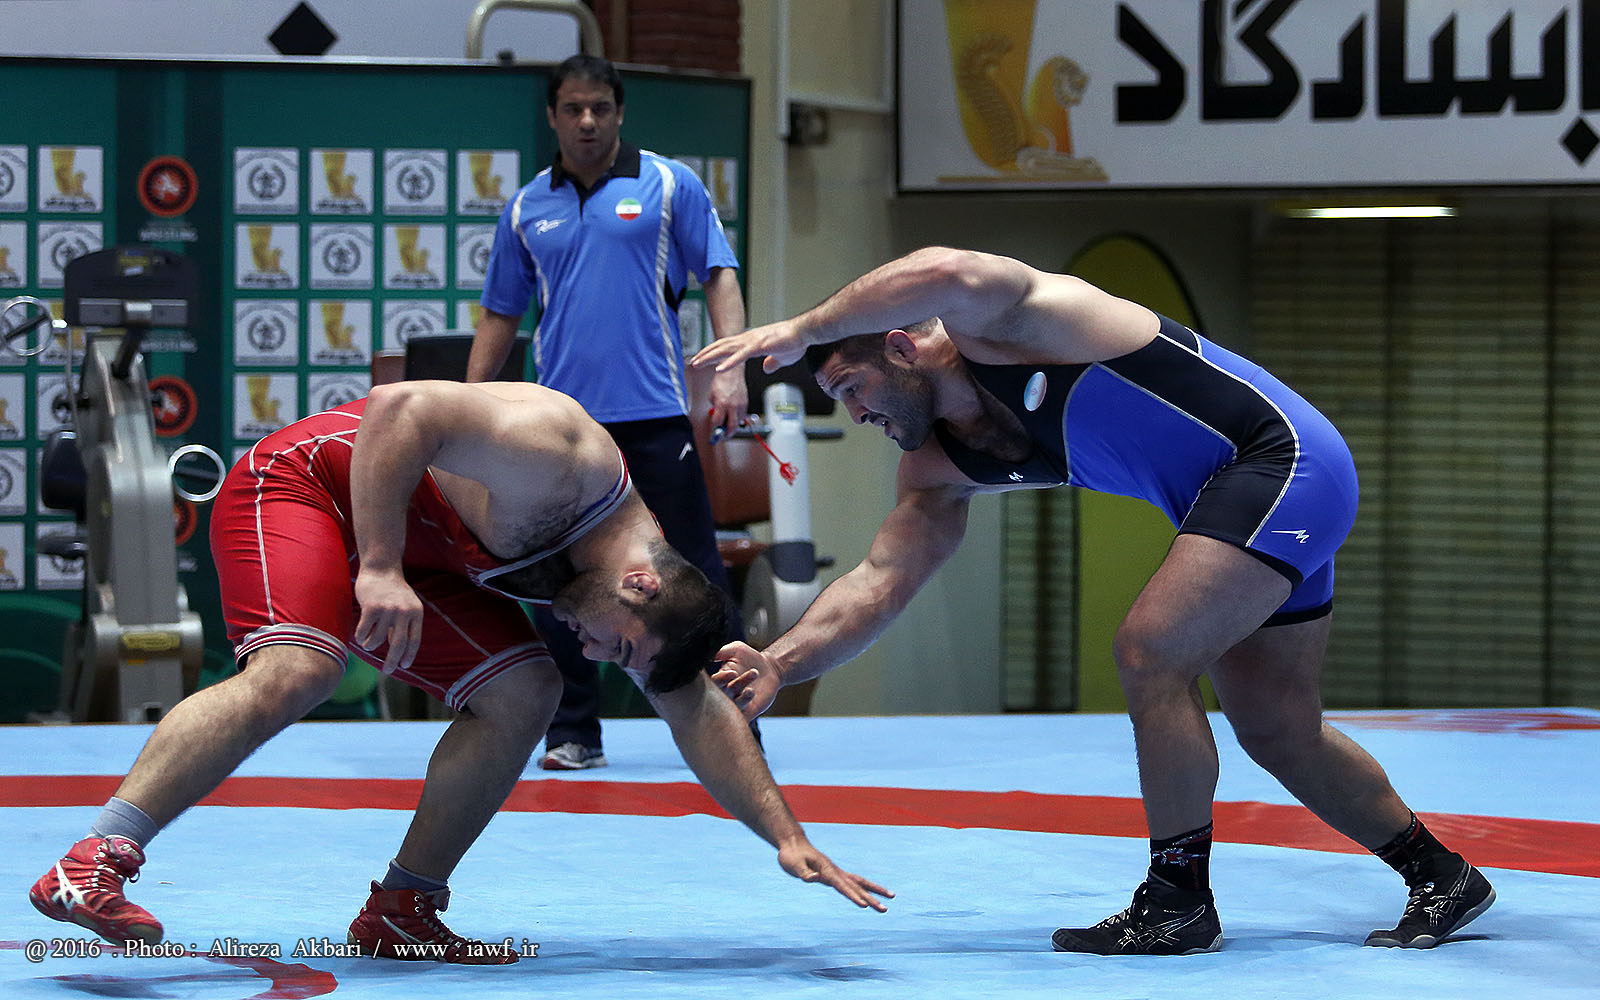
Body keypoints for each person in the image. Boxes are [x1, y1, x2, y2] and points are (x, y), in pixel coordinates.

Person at [691, 246, 1494, 956]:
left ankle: (1177, 901)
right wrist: (777, 662)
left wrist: (801, 327)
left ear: (902, 347)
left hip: (1282, 462)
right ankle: (1442, 875)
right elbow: (879, 582)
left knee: (1151, 652)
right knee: (1279, 729)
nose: (857, 413)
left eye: (853, 386)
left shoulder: (1018, 327)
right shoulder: (938, 468)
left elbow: (945, 269)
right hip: (1246, 499)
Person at [28, 379, 890, 963]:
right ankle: (94, 858)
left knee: (529, 689)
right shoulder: (562, 456)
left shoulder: (643, 588)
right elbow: (400, 407)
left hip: (420, 547)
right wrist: (378, 566)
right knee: (300, 669)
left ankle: (401, 910)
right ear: (639, 585)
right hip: (307, 486)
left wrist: (786, 837)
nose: (600, 657)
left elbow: (694, 708)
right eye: (619, 647)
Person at [468, 53, 753, 771]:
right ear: (553, 116)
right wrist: (470, 407)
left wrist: (731, 367)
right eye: (573, 109)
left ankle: (736, 722)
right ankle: (574, 733)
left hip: (654, 416)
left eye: (600, 107)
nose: (588, 121)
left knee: (696, 572)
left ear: (619, 112)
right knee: (562, 582)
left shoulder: (669, 184)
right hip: (561, 430)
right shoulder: (526, 207)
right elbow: (501, 313)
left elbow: (720, 274)